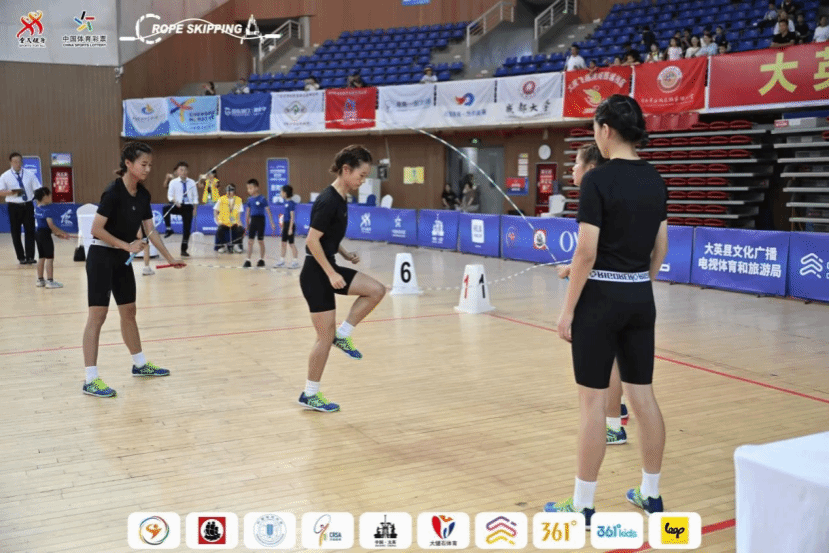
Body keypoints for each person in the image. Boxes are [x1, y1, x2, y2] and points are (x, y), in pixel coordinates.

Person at [545, 95, 668, 525]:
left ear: (606, 129)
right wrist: (639, 282)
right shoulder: (655, 179)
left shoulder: (597, 181)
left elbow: (586, 252)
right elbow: (661, 246)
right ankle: (650, 493)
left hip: (600, 301)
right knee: (643, 396)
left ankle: (582, 504)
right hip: (640, 298)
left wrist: (568, 311)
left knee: (593, 405)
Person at [81, 142, 185, 398]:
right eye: (143, 164)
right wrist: (127, 245)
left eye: (150, 165)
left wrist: (170, 257)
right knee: (97, 316)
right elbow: (96, 229)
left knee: (129, 312)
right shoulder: (113, 192)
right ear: (128, 163)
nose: (148, 169)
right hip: (101, 256)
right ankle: (90, 379)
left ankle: (139, 364)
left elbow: (151, 231)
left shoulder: (143, 195)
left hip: (121, 259)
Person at [298, 145, 386, 412]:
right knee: (323, 338)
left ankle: (344, 334)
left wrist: (345, 254)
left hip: (329, 267)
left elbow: (328, 237)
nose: (363, 181)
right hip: (316, 275)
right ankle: (310, 394)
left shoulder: (341, 198)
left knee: (376, 290)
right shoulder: (329, 200)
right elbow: (312, 240)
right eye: (361, 175)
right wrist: (331, 272)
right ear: (346, 170)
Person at [557, 143, 630, 446]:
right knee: (616, 359)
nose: (572, 169)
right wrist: (572, 267)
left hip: (602, 295)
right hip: (628, 290)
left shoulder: (594, 192)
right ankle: (618, 409)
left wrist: (568, 310)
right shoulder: (621, 193)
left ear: (590, 168)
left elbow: (588, 253)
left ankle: (613, 426)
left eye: (576, 163)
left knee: (607, 361)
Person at [0, 152, 39, 264]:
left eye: (19, 161)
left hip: (28, 205)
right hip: (14, 206)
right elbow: (0, 192)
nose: (17, 164)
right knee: (16, 232)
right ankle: (21, 257)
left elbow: (37, 188)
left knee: (30, 231)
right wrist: (12, 192)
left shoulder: (30, 174)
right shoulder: (5, 176)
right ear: (10, 162)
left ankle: (30, 256)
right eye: (15, 162)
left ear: (22, 162)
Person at [32, 187, 69, 288]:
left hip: (38, 234)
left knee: (41, 257)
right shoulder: (47, 210)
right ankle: (50, 281)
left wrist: (58, 234)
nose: (51, 197)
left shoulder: (37, 208)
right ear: (44, 197)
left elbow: (46, 227)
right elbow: (51, 225)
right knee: (49, 258)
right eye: (49, 195)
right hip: (45, 235)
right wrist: (62, 233)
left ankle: (40, 280)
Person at [162, 161, 198, 257]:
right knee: (165, 209)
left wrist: (195, 208)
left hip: (188, 206)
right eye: (181, 170)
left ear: (188, 171)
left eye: (185, 170)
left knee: (187, 229)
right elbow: (170, 196)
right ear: (177, 172)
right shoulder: (173, 182)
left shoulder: (192, 182)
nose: (183, 172)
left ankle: (183, 249)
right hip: (177, 205)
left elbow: (195, 196)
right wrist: (174, 201)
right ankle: (169, 229)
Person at [243, 178, 276, 268]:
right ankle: (248, 260)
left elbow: (268, 211)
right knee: (250, 241)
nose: (249, 190)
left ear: (256, 188)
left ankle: (261, 259)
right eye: (248, 188)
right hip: (253, 221)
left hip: (261, 220)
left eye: (251, 188)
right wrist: (247, 223)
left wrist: (272, 223)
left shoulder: (262, 199)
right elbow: (248, 212)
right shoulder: (249, 200)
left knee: (260, 241)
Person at [214, 184, 245, 253]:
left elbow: (239, 213)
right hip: (223, 222)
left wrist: (239, 222)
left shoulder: (238, 200)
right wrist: (218, 221)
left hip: (234, 222)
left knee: (240, 229)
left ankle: (236, 245)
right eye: (228, 190)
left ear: (234, 191)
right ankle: (222, 246)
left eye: (231, 190)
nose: (229, 192)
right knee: (220, 230)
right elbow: (215, 210)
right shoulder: (221, 199)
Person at [274, 185, 300, 269]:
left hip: (290, 225)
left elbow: (292, 217)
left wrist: (290, 228)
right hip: (285, 224)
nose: (280, 194)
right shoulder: (285, 202)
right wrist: (283, 227)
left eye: (281, 192)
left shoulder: (291, 203)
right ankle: (282, 261)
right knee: (283, 243)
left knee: (291, 244)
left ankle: (295, 262)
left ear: (285, 193)